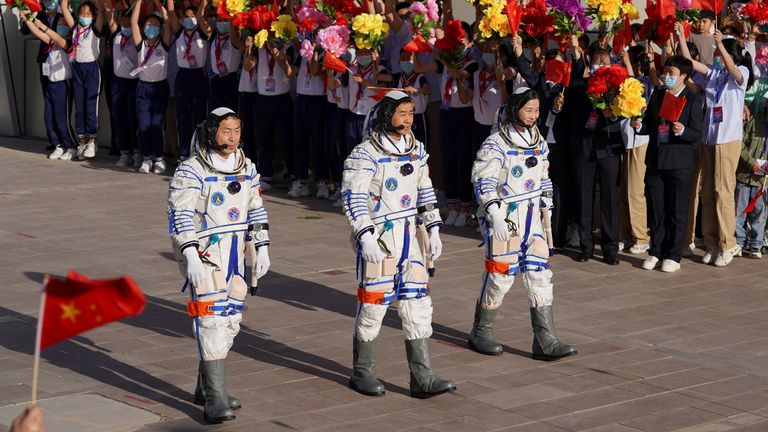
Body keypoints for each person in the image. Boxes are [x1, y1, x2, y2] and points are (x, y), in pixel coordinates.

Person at [341, 90, 456, 399]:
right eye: (402, 114)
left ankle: (423, 376)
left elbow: (425, 189)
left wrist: (433, 228)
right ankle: (362, 371)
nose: (408, 120)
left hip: (411, 238)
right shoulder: (365, 154)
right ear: (386, 114)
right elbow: (353, 197)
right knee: (374, 306)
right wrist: (365, 235)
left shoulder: (415, 150)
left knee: (418, 306)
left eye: (411, 114)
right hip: (380, 237)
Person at [168, 107, 270, 423]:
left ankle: (206, 386)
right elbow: (180, 214)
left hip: (236, 252)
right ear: (212, 131)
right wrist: (190, 253)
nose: (232, 137)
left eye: (236, 131)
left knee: (230, 320)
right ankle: (214, 397)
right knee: (211, 320)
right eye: (226, 131)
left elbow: (256, 208)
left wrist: (262, 247)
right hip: (207, 252)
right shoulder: (191, 170)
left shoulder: (247, 167)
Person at [467, 87, 576, 361]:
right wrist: (494, 213)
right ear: (515, 109)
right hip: (506, 215)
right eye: (528, 110)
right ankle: (482, 330)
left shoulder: (537, 140)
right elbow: (483, 181)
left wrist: (547, 199)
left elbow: (543, 174)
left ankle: (545, 339)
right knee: (500, 276)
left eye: (537, 111)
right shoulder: (496, 144)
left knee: (540, 276)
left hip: (532, 217)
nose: (533, 116)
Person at [680, 28, 755, 266]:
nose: (717, 59)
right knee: (709, 192)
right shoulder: (714, 75)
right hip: (709, 138)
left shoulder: (740, 73)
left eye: (721, 56)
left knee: (723, 191)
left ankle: (728, 243)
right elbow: (689, 64)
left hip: (728, 139)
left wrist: (721, 44)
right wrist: (681, 37)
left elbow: (733, 68)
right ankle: (712, 242)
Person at [632, 55, 705, 272]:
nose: (667, 76)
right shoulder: (658, 95)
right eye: (666, 72)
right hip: (656, 160)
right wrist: (638, 125)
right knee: (656, 208)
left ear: (683, 76)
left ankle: (674, 254)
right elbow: (649, 125)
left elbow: (696, 134)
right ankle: (656, 250)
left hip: (679, 162)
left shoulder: (692, 100)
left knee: (677, 210)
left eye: (671, 73)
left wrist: (682, 131)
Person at [572, 48, 623, 265]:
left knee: (610, 198)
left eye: (605, 62)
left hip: (608, 146)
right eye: (596, 62)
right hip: (585, 147)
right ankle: (586, 246)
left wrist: (612, 112)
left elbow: (628, 112)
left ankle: (610, 248)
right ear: (589, 63)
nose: (600, 66)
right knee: (584, 197)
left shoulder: (619, 87)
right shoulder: (578, 86)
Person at [20, 10, 75, 160]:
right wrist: (27, 19)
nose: (61, 25)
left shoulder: (69, 43)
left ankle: (70, 145)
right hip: (51, 83)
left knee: (61, 118)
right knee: (49, 117)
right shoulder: (51, 43)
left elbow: (56, 37)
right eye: (60, 23)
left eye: (64, 24)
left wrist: (43, 26)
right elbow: (38, 34)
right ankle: (58, 145)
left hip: (63, 84)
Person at [437, 21, 477, 227]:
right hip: (447, 113)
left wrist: (445, 59)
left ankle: (465, 206)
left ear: (470, 41)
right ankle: (451, 205)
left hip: (464, 115)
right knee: (449, 159)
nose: (458, 45)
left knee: (463, 160)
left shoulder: (471, 62)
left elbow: (458, 76)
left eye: (461, 40)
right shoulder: (448, 60)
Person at [130, 0, 172, 174]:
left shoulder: (164, 43)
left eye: (155, 25)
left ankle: (159, 158)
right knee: (144, 125)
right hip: (143, 89)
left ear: (160, 28)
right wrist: (139, 2)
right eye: (148, 25)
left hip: (160, 89)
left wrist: (158, 4)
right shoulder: (141, 44)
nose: (151, 28)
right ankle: (147, 158)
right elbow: (133, 22)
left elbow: (168, 22)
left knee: (156, 125)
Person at [60, 0, 104, 159]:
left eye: (88, 14)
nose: (84, 16)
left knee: (91, 106)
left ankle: (92, 141)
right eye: (81, 13)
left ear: (93, 16)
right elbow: (64, 8)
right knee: (79, 107)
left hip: (92, 69)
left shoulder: (95, 29)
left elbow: (101, 15)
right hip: (77, 69)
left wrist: (100, 6)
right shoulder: (75, 28)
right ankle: (81, 142)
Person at [168, 0, 208, 161]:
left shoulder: (203, 32)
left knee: (199, 117)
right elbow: (171, 12)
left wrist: (202, 7)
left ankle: (200, 153)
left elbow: (200, 15)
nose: (189, 18)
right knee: (183, 117)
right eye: (186, 16)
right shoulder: (180, 32)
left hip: (198, 76)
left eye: (192, 16)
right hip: (182, 76)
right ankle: (184, 155)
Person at [105, 5, 140, 168]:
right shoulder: (116, 36)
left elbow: (146, 61)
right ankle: (125, 152)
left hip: (134, 83)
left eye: (129, 23)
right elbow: (109, 17)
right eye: (123, 23)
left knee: (133, 119)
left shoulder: (138, 38)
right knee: (119, 119)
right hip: (118, 83)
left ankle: (137, 151)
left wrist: (137, 71)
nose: (126, 26)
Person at [735, 105, 768, 258]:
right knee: (738, 211)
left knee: (759, 213)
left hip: (762, 179)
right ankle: (738, 243)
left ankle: (756, 245)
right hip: (744, 174)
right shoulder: (753, 120)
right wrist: (750, 161)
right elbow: (739, 143)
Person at [206, 15, 242, 111]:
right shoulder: (213, 36)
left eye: (225, 20)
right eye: (219, 20)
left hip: (231, 79)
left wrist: (230, 15)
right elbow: (201, 21)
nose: (222, 23)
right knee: (216, 112)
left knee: (230, 112)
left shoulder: (234, 38)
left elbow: (233, 38)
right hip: (216, 78)